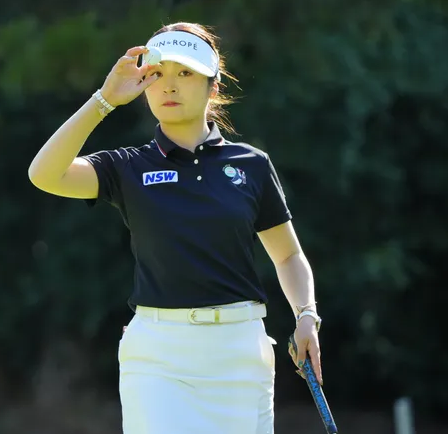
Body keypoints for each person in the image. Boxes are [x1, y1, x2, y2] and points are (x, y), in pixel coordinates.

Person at [28, 22, 323, 434]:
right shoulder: (128, 166)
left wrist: (306, 314)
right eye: (158, 73)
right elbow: (44, 174)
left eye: (185, 73)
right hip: (157, 356)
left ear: (213, 85)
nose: (169, 86)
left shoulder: (252, 165)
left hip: (238, 351)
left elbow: (288, 255)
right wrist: (103, 100)